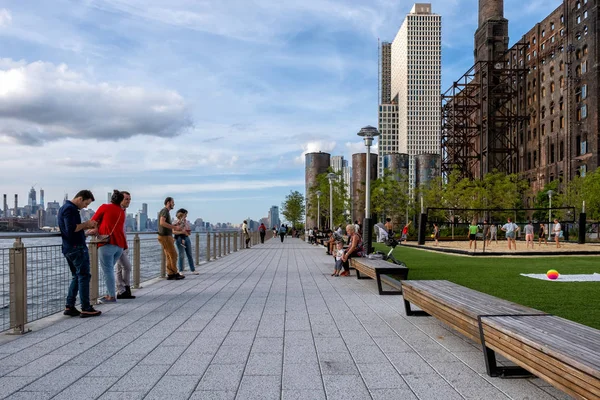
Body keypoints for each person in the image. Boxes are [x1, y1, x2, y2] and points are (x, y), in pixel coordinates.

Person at [58, 190, 101, 318]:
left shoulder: (66, 208)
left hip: (69, 247)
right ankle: (86, 307)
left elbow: (74, 229)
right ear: (80, 198)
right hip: (76, 248)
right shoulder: (70, 209)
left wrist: (86, 230)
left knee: (76, 276)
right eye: (86, 203)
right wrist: (87, 224)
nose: (86, 207)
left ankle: (70, 306)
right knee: (84, 276)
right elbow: (70, 229)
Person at [92, 190, 127, 303]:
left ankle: (111, 296)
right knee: (109, 270)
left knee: (107, 271)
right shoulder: (122, 212)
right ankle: (109, 294)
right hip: (119, 246)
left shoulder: (105, 207)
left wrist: (90, 230)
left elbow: (93, 221)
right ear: (121, 200)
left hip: (107, 243)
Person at [114, 191, 135, 299]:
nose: (128, 201)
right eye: (126, 199)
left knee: (123, 267)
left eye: (129, 199)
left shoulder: (123, 211)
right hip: (117, 243)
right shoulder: (115, 210)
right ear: (120, 199)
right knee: (123, 267)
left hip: (123, 243)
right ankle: (122, 290)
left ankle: (123, 290)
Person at [158, 197, 184, 280]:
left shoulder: (166, 212)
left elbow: (165, 224)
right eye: (173, 202)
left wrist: (175, 225)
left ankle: (170, 273)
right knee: (173, 255)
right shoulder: (164, 211)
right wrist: (175, 228)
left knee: (169, 255)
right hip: (165, 236)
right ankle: (175, 273)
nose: (174, 204)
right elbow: (162, 222)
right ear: (168, 202)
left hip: (166, 236)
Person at [174, 208, 198, 275]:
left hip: (187, 238)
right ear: (181, 214)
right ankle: (180, 270)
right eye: (185, 214)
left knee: (189, 254)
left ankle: (193, 270)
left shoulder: (186, 222)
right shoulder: (175, 222)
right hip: (179, 239)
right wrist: (182, 232)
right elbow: (174, 232)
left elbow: (188, 232)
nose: (186, 216)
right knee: (181, 255)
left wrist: (187, 233)